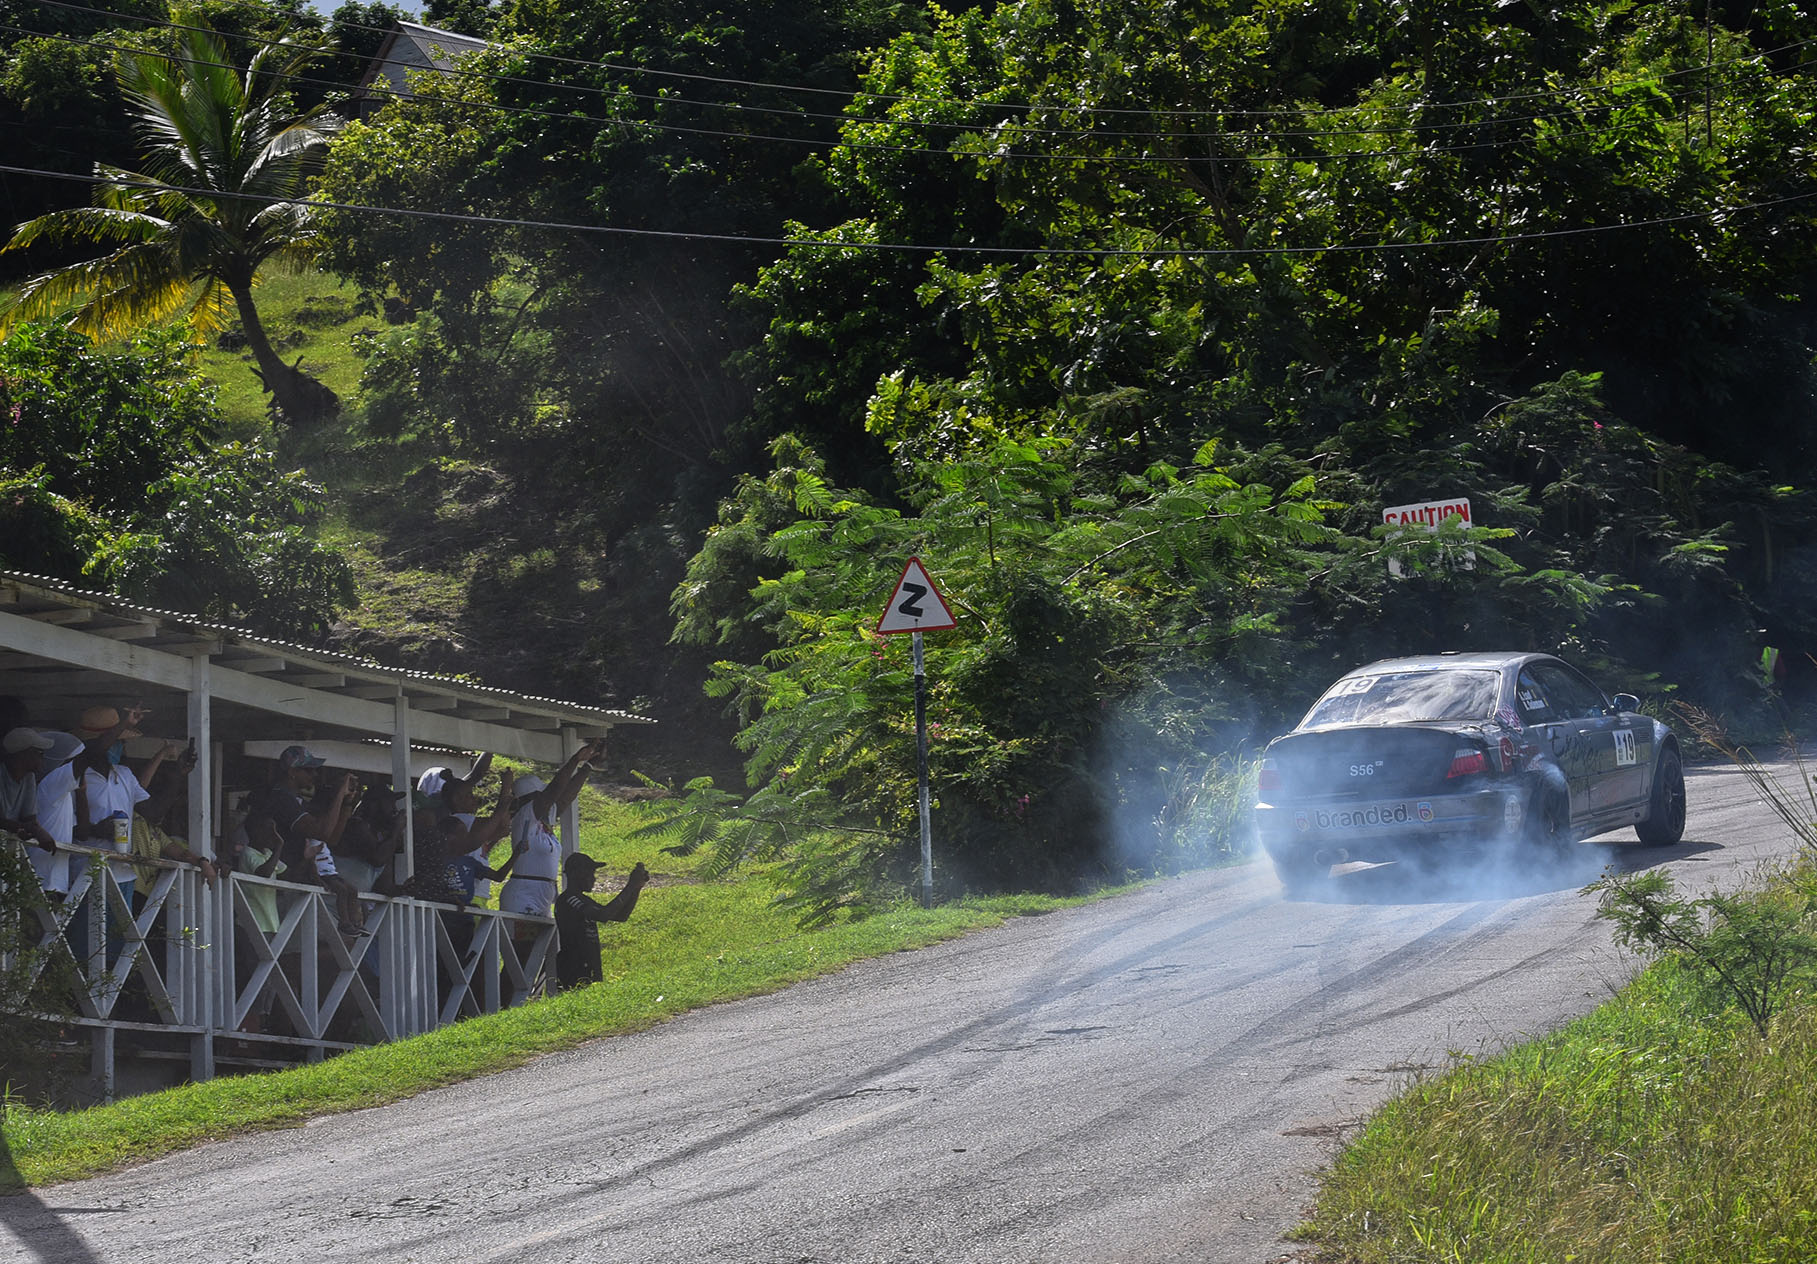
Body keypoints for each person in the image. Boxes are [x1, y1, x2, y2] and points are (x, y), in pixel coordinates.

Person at [498, 738, 605, 922]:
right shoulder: (524, 817)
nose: (548, 799)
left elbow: (567, 796)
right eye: (541, 795)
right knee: (524, 941)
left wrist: (588, 766)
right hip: (523, 895)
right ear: (529, 799)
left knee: (544, 941)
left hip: (544, 896)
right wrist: (575, 760)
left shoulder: (544, 821)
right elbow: (555, 790)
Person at [554, 855, 650, 991]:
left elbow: (621, 916)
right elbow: (603, 915)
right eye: (589, 874)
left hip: (588, 965)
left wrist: (637, 888)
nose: (593, 879)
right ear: (575, 874)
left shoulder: (584, 900)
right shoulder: (569, 899)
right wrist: (630, 885)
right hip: (573, 966)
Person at [1, 727, 57, 855]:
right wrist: (35, 830)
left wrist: (28, 828)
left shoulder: (29, 777)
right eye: (40, 753)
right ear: (24, 754)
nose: (43, 758)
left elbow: (29, 818)